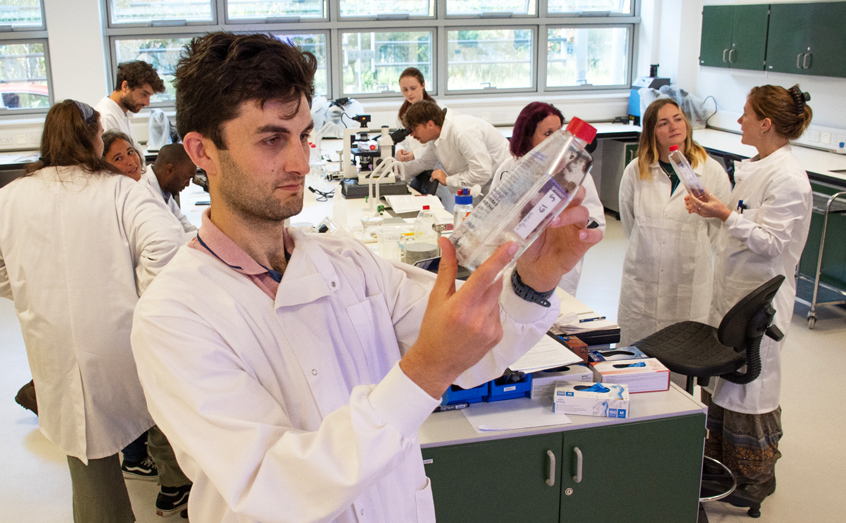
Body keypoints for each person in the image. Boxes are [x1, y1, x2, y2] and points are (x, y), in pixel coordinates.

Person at [130, 32, 601, 523]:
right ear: (202, 151)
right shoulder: (173, 316)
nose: (300, 162)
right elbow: (271, 485)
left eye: (303, 136)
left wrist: (534, 281)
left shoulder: (348, 263)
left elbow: (466, 346)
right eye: (272, 138)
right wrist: (423, 372)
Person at [0, 100, 184, 522]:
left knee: (86, 455)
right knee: (156, 412)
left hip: (52, 341)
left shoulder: (10, 197)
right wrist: (141, 298)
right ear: (92, 137)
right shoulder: (118, 190)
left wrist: (27, 290)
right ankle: (174, 489)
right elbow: (166, 244)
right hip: (118, 337)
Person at [685, 84, 813, 508]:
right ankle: (719, 463)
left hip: (760, 303)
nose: (738, 120)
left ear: (766, 123)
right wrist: (717, 210)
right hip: (734, 292)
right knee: (726, 384)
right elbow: (746, 221)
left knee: (751, 388)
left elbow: (773, 242)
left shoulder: (788, 178)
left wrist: (725, 215)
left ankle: (752, 481)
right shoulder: (760, 165)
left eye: (744, 113)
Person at [617, 98, 731, 348]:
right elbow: (630, 221)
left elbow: (719, 226)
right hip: (643, 277)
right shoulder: (636, 170)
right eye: (663, 123)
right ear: (652, 132)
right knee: (638, 353)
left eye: (678, 119)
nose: (673, 127)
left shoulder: (710, 171)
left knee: (683, 351)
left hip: (689, 278)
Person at [492, 102, 606, 296]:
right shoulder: (507, 169)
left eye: (560, 133)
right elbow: (493, 215)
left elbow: (596, 221)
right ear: (526, 137)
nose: (557, 141)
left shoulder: (577, 173)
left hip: (554, 265)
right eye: (547, 134)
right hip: (510, 259)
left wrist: (572, 227)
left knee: (550, 315)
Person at [403, 99, 511, 209]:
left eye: (414, 129)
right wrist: (396, 171)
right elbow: (424, 162)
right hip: (481, 186)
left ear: (430, 124)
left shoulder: (462, 132)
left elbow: (482, 172)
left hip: (503, 183)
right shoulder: (436, 136)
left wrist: (448, 180)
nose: (411, 134)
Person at [94, 61, 165, 148]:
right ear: (125, 87)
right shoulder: (106, 117)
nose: (147, 103)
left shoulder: (124, 112)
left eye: (149, 96)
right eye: (144, 94)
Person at [140, 142, 198, 235]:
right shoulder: (141, 191)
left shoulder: (165, 190)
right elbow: (164, 236)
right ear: (170, 169)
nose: (187, 184)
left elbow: (185, 227)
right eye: (187, 178)